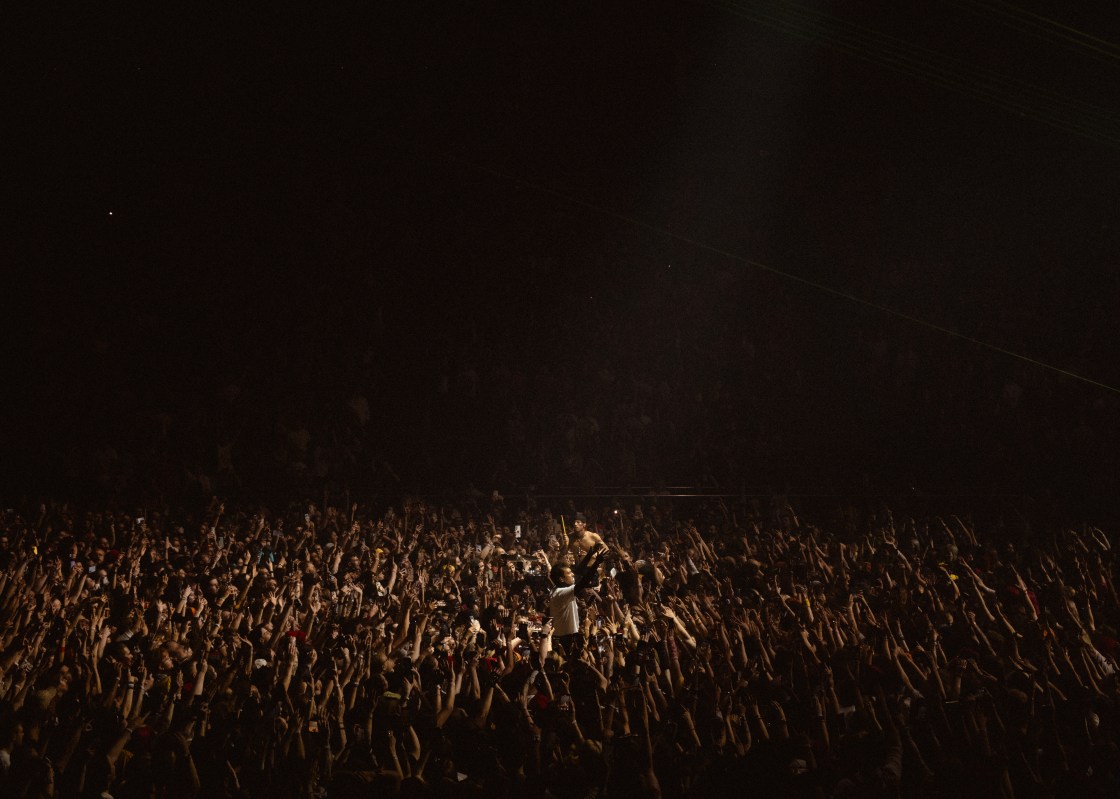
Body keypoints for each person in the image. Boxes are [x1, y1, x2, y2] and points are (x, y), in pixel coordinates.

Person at [549, 543, 607, 657]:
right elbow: (584, 581)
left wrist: (589, 555)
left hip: (568, 636)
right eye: (569, 573)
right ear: (561, 579)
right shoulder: (560, 593)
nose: (572, 575)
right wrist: (596, 563)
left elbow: (579, 572)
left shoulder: (559, 588)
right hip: (564, 640)